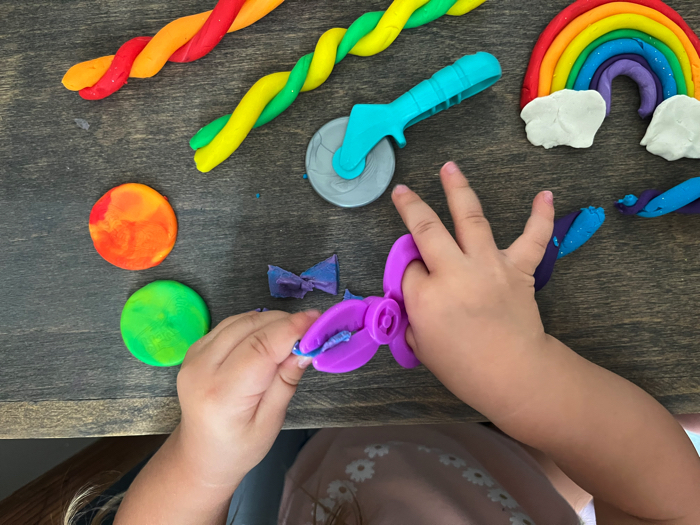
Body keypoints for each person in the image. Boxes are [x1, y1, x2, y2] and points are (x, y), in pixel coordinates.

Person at [76, 162, 700, 525]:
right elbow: (673, 511)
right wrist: (525, 381)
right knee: (630, 445)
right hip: (511, 484)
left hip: (290, 482)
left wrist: (201, 462)